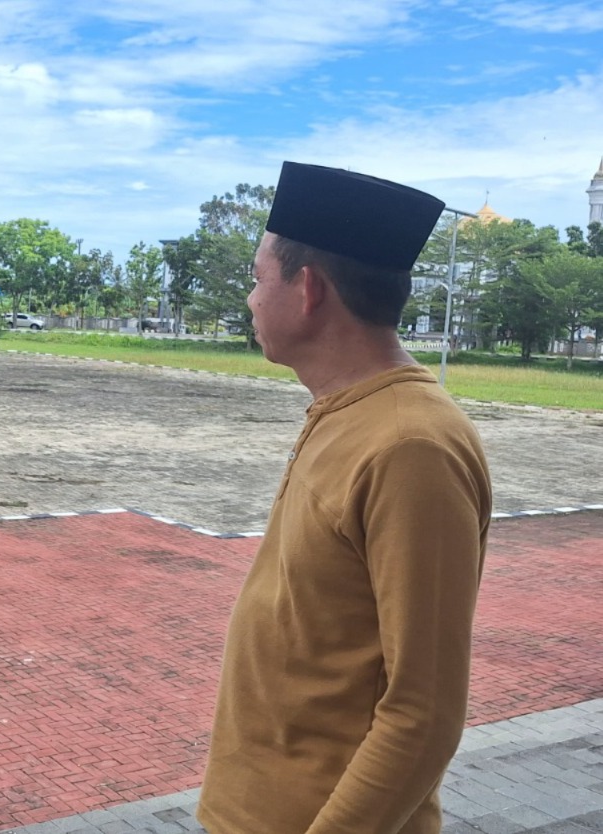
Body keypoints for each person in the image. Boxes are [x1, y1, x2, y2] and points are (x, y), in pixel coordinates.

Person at [198, 162, 492, 834]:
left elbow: (423, 713)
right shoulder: (346, 412)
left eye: (257, 278)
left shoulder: (410, 445)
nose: (250, 299)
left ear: (307, 289)